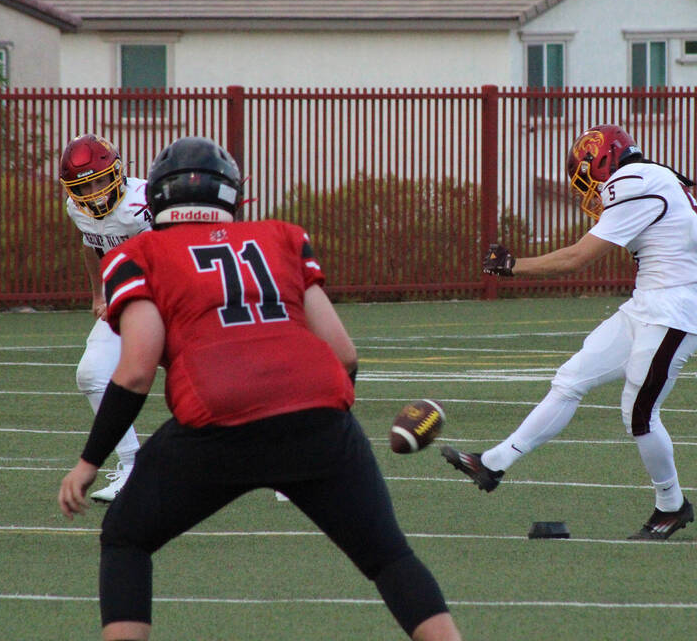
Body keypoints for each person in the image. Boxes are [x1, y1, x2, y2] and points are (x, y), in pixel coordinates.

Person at [57, 137, 461, 641]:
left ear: (157, 197)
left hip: (216, 423)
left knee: (125, 539)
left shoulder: (138, 254)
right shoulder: (282, 238)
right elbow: (343, 354)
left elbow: (136, 371)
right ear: (233, 194)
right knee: (389, 557)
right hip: (317, 421)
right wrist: (333, 430)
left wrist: (89, 462)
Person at [440, 124, 697, 540]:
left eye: (587, 177)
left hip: (673, 312)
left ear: (604, 161)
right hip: (650, 305)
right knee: (571, 378)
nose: (591, 191)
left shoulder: (632, 181)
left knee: (639, 412)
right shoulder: (662, 180)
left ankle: (671, 506)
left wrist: (513, 266)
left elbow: (578, 258)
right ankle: (492, 463)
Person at [59, 133, 151, 502]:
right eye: (84, 186)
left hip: (174, 300)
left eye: (99, 182)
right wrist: (99, 294)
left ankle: (282, 457)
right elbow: (91, 245)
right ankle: (133, 466)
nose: (94, 193)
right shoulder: (76, 209)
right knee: (92, 373)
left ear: (117, 172)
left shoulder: (144, 202)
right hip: (130, 301)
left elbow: (177, 253)